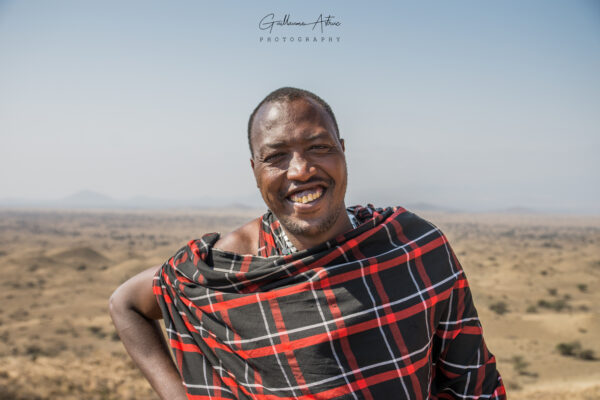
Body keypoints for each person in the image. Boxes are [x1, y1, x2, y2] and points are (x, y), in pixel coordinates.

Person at [109, 87, 506, 400]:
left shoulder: (413, 247)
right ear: (255, 170)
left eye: (318, 147)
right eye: (277, 156)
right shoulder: (226, 269)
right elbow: (125, 303)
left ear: (342, 151)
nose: (300, 170)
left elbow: (473, 384)